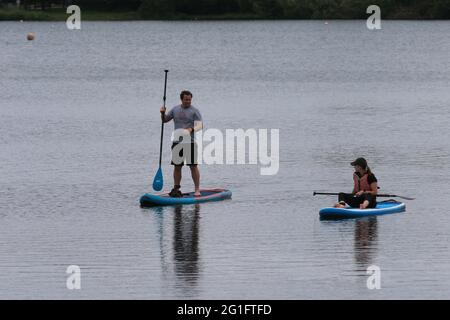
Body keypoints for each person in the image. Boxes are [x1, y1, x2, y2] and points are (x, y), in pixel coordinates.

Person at [160, 90, 203, 197]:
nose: (188, 101)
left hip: (190, 143)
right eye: (186, 99)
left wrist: (190, 129)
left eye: (189, 99)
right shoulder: (175, 109)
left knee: (193, 166)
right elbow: (165, 120)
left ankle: (197, 189)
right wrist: (162, 113)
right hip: (177, 142)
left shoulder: (194, 111)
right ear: (181, 99)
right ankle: (176, 188)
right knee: (177, 166)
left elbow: (200, 125)